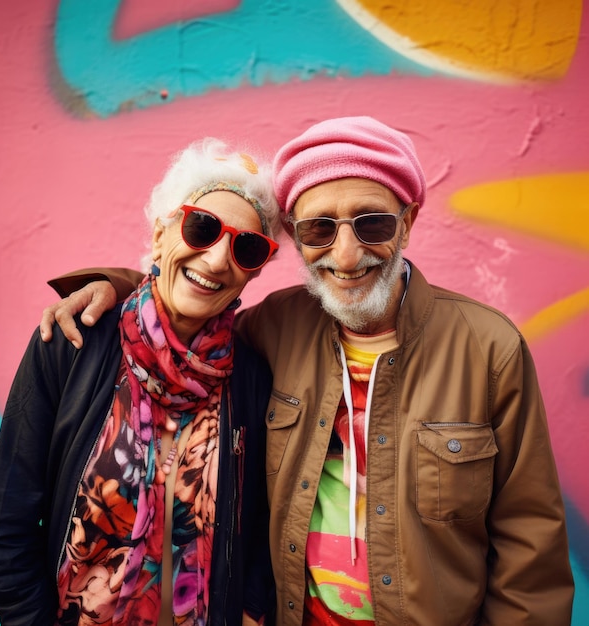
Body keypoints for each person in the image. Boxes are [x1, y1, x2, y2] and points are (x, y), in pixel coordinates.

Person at [37, 116, 575, 625]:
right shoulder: (275, 327)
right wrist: (114, 287)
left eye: (372, 223)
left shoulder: (488, 348)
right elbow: (185, 311)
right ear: (295, 238)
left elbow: (529, 545)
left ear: (407, 223)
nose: (344, 255)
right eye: (319, 229)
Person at [0, 137, 282, 626]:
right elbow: (6, 523)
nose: (216, 259)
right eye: (201, 228)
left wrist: (252, 609)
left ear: (255, 271)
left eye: (246, 247)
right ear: (162, 234)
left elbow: (260, 523)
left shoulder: (250, 375)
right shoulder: (73, 342)